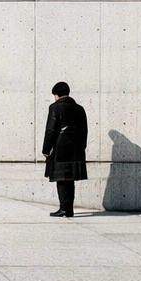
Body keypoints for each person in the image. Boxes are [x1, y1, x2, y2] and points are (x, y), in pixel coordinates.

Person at [42, 82, 87, 217]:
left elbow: (51, 130)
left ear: (56, 95)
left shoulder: (55, 108)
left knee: (61, 179)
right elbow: (84, 130)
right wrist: (82, 146)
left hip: (60, 148)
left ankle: (64, 208)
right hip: (75, 148)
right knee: (70, 179)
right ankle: (68, 209)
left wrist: (46, 149)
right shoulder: (79, 109)